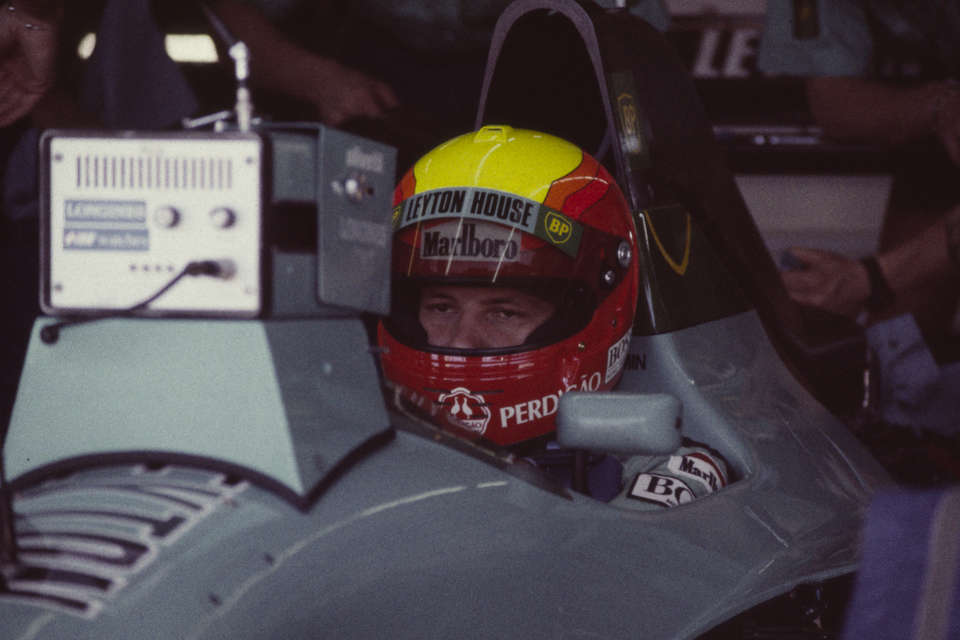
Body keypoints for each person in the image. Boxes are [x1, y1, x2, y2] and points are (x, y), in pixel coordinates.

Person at [377, 125, 728, 509]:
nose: (462, 339)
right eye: (442, 307)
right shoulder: (357, 448)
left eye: (503, 313)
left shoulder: (667, 472)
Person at [759, 0, 960, 357]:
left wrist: (871, 278)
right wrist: (940, 108)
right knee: (895, 357)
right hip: (933, 158)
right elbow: (832, 100)